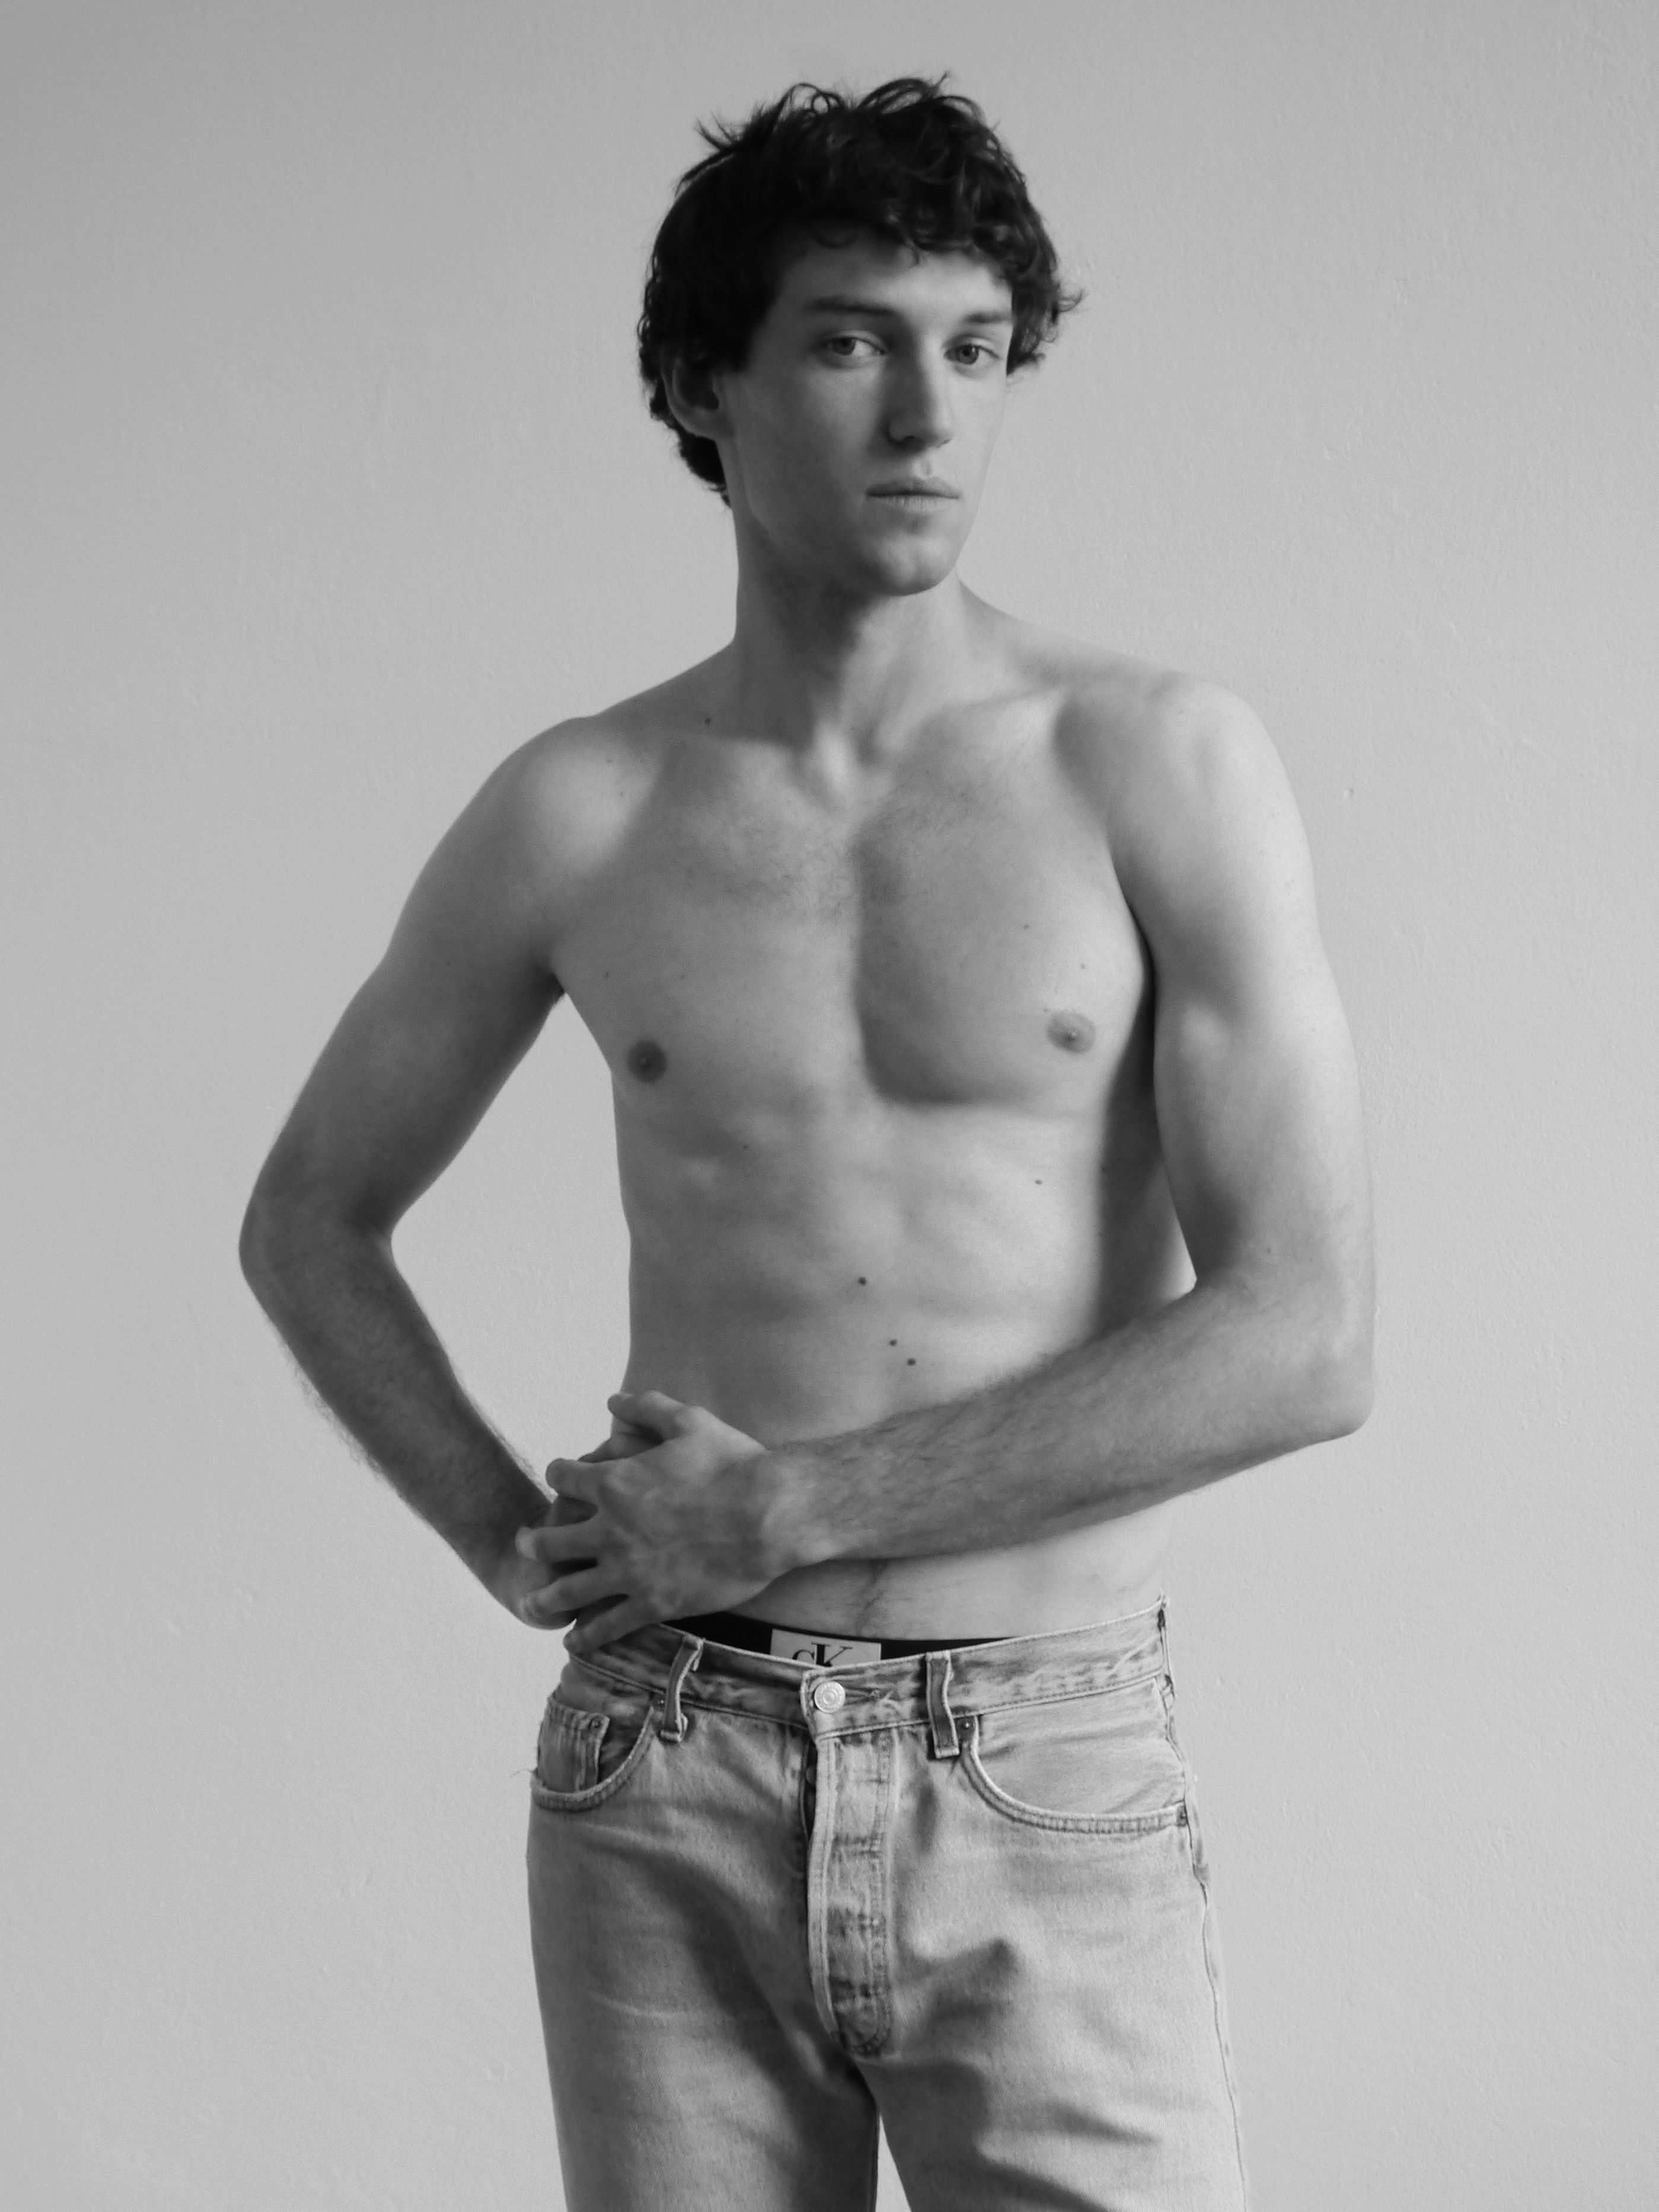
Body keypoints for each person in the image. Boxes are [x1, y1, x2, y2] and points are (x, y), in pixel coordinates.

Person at [241, 74, 1371, 2212]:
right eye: (853, 342)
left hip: (1038, 1751)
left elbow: (1307, 1334)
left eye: (978, 349)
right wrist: (509, 1537)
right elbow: (311, 1216)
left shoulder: (1156, 765)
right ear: (705, 386)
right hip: (665, 1757)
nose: (931, 417)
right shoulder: (580, 809)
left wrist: (794, 1505)